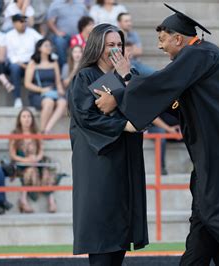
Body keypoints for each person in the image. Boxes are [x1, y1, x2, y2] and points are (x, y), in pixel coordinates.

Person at [95, 4, 219, 265]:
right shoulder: (207, 59)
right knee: (202, 228)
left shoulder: (197, 56)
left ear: (178, 39)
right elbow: (175, 102)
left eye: (162, 40)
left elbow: (161, 86)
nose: (160, 47)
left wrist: (126, 79)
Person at [67, 23, 148, 265]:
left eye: (119, 45)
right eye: (110, 45)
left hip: (124, 161)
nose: (116, 50)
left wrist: (125, 76)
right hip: (98, 162)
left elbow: (144, 105)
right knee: (102, 235)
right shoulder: (85, 77)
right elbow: (86, 117)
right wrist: (124, 125)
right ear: (96, 47)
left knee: (120, 233)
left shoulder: (128, 76)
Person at [9, 108, 57, 213]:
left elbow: (41, 151)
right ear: (19, 119)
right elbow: (12, 154)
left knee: (46, 171)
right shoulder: (15, 134)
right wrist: (26, 160)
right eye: (24, 116)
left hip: (35, 161)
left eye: (29, 116)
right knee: (30, 170)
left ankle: (51, 201)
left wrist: (36, 158)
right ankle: (23, 200)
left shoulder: (36, 133)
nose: (27, 119)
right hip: (21, 163)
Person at [24, 38, 67, 134]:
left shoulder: (54, 62)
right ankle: (42, 131)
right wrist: (42, 89)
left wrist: (60, 90)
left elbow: (58, 81)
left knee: (63, 102)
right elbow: (27, 84)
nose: (49, 48)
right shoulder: (33, 63)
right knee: (49, 102)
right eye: (46, 45)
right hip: (38, 93)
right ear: (39, 48)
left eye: (49, 45)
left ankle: (47, 129)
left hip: (53, 91)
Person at [5, 14, 43, 108]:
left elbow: (42, 43)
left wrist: (32, 62)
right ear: (14, 23)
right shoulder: (9, 35)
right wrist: (25, 66)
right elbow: (11, 56)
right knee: (14, 68)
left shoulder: (32, 32)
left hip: (32, 62)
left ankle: (38, 98)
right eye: (21, 21)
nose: (23, 24)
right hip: (18, 64)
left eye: (25, 21)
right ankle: (17, 98)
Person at [47, 0, 88, 68]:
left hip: (79, 35)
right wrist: (57, 32)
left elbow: (87, 19)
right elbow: (49, 21)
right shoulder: (56, 4)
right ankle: (64, 67)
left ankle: (83, 68)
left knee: (89, 42)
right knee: (60, 42)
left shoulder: (80, 4)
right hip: (63, 36)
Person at [117, 12, 155, 76]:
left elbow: (139, 51)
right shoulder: (115, 35)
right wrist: (131, 49)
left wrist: (126, 50)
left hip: (136, 64)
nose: (129, 23)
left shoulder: (134, 34)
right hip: (122, 66)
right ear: (119, 23)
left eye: (130, 21)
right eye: (126, 21)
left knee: (155, 74)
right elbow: (120, 54)